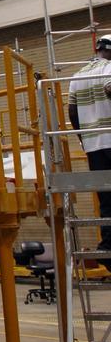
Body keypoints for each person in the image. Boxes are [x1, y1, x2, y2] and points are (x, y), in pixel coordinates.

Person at [68, 34, 111, 271]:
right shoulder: (110, 69)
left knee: (106, 198)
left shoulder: (77, 75)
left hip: (94, 145)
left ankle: (107, 247)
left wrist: (83, 139)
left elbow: (72, 111)